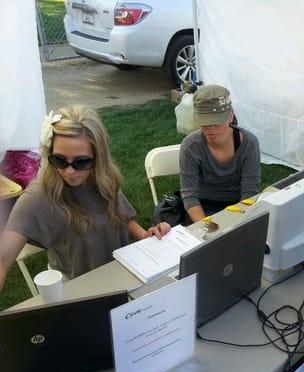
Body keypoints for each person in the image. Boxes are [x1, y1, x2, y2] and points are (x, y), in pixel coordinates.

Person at [0, 105, 170, 292]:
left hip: (122, 276)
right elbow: (3, 258)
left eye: (81, 162)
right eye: (59, 160)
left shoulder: (103, 179)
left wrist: (148, 236)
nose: (69, 171)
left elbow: (122, 218)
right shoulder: (38, 197)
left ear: (99, 157)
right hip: (79, 291)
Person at [179, 85, 261, 223]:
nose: (210, 128)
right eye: (204, 123)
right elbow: (190, 196)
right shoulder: (190, 147)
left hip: (239, 206)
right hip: (202, 207)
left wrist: (237, 225)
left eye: (216, 122)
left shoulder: (249, 143)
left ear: (230, 117)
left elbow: (249, 194)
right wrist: (207, 227)